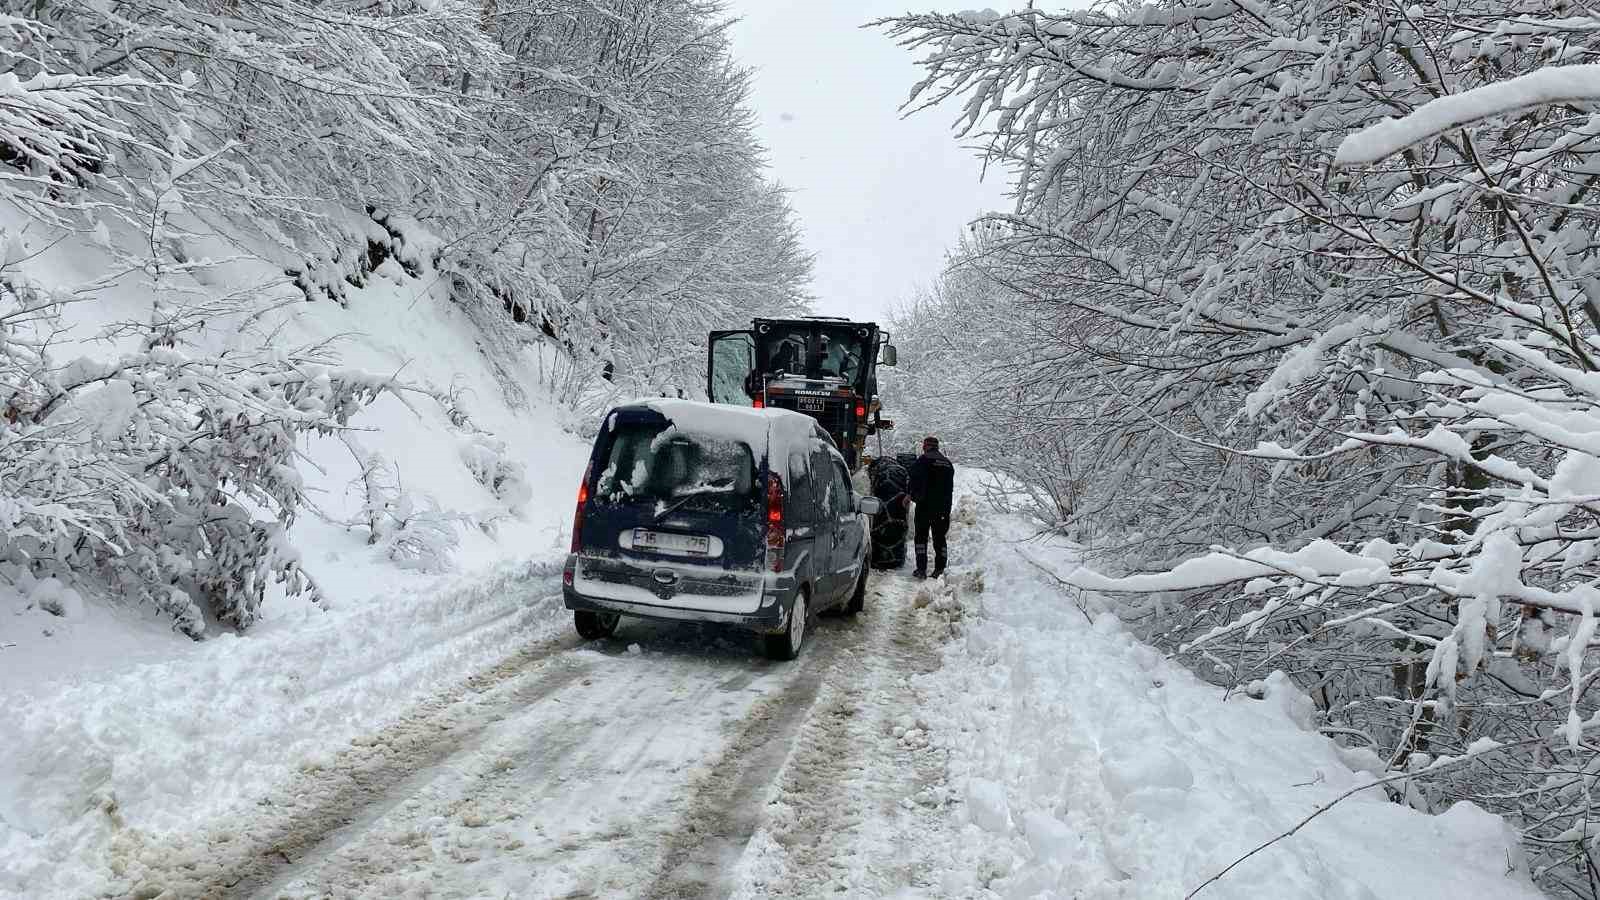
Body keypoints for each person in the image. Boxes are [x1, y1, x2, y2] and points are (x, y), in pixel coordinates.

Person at [908, 435, 955, 578]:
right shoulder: (948, 463)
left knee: (921, 538)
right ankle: (939, 570)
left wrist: (911, 495)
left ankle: (921, 569)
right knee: (940, 538)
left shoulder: (923, 461)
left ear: (925, 446)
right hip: (943, 508)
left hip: (925, 507)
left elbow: (914, 480)